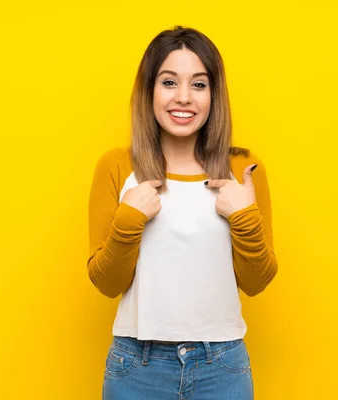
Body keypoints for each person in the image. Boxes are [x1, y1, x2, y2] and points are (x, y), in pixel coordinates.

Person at [87, 25, 278, 400]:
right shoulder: (116, 167)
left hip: (221, 365)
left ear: (214, 94)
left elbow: (257, 283)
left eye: (199, 84)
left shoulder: (243, 169)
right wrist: (129, 220)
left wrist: (243, 218)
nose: (184, 98)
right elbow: (106, 284)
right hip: (135, 366)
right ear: (149, 91)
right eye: (170, 82)